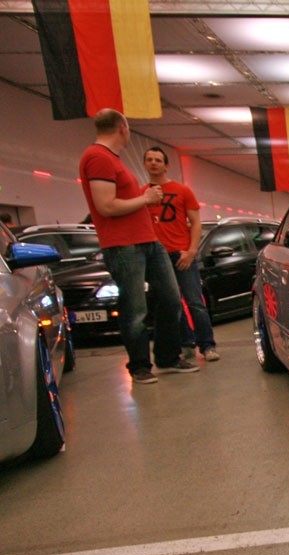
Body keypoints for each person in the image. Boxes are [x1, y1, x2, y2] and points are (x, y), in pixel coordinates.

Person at [78, 109, 199, 383]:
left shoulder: (112, 159)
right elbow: (106, 206)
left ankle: (167, 357)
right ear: (123, 128)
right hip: (124, 245)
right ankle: (140, 365)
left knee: (171, 299)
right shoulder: (97, 157)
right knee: (135, 309)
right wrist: (145, 199)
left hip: (148, 241)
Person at [143, 146, 219, 362]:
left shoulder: (182, 191)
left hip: (182, 255)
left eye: (158, 160)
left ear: (166, 166)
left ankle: (207, 345)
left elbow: (196, 223)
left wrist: (191, 251)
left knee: (195, 301)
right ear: (145, 164)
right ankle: (186, 343)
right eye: (149, 160)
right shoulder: (142, 194)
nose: (154, 163)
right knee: (171, 303)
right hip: (157, 257)